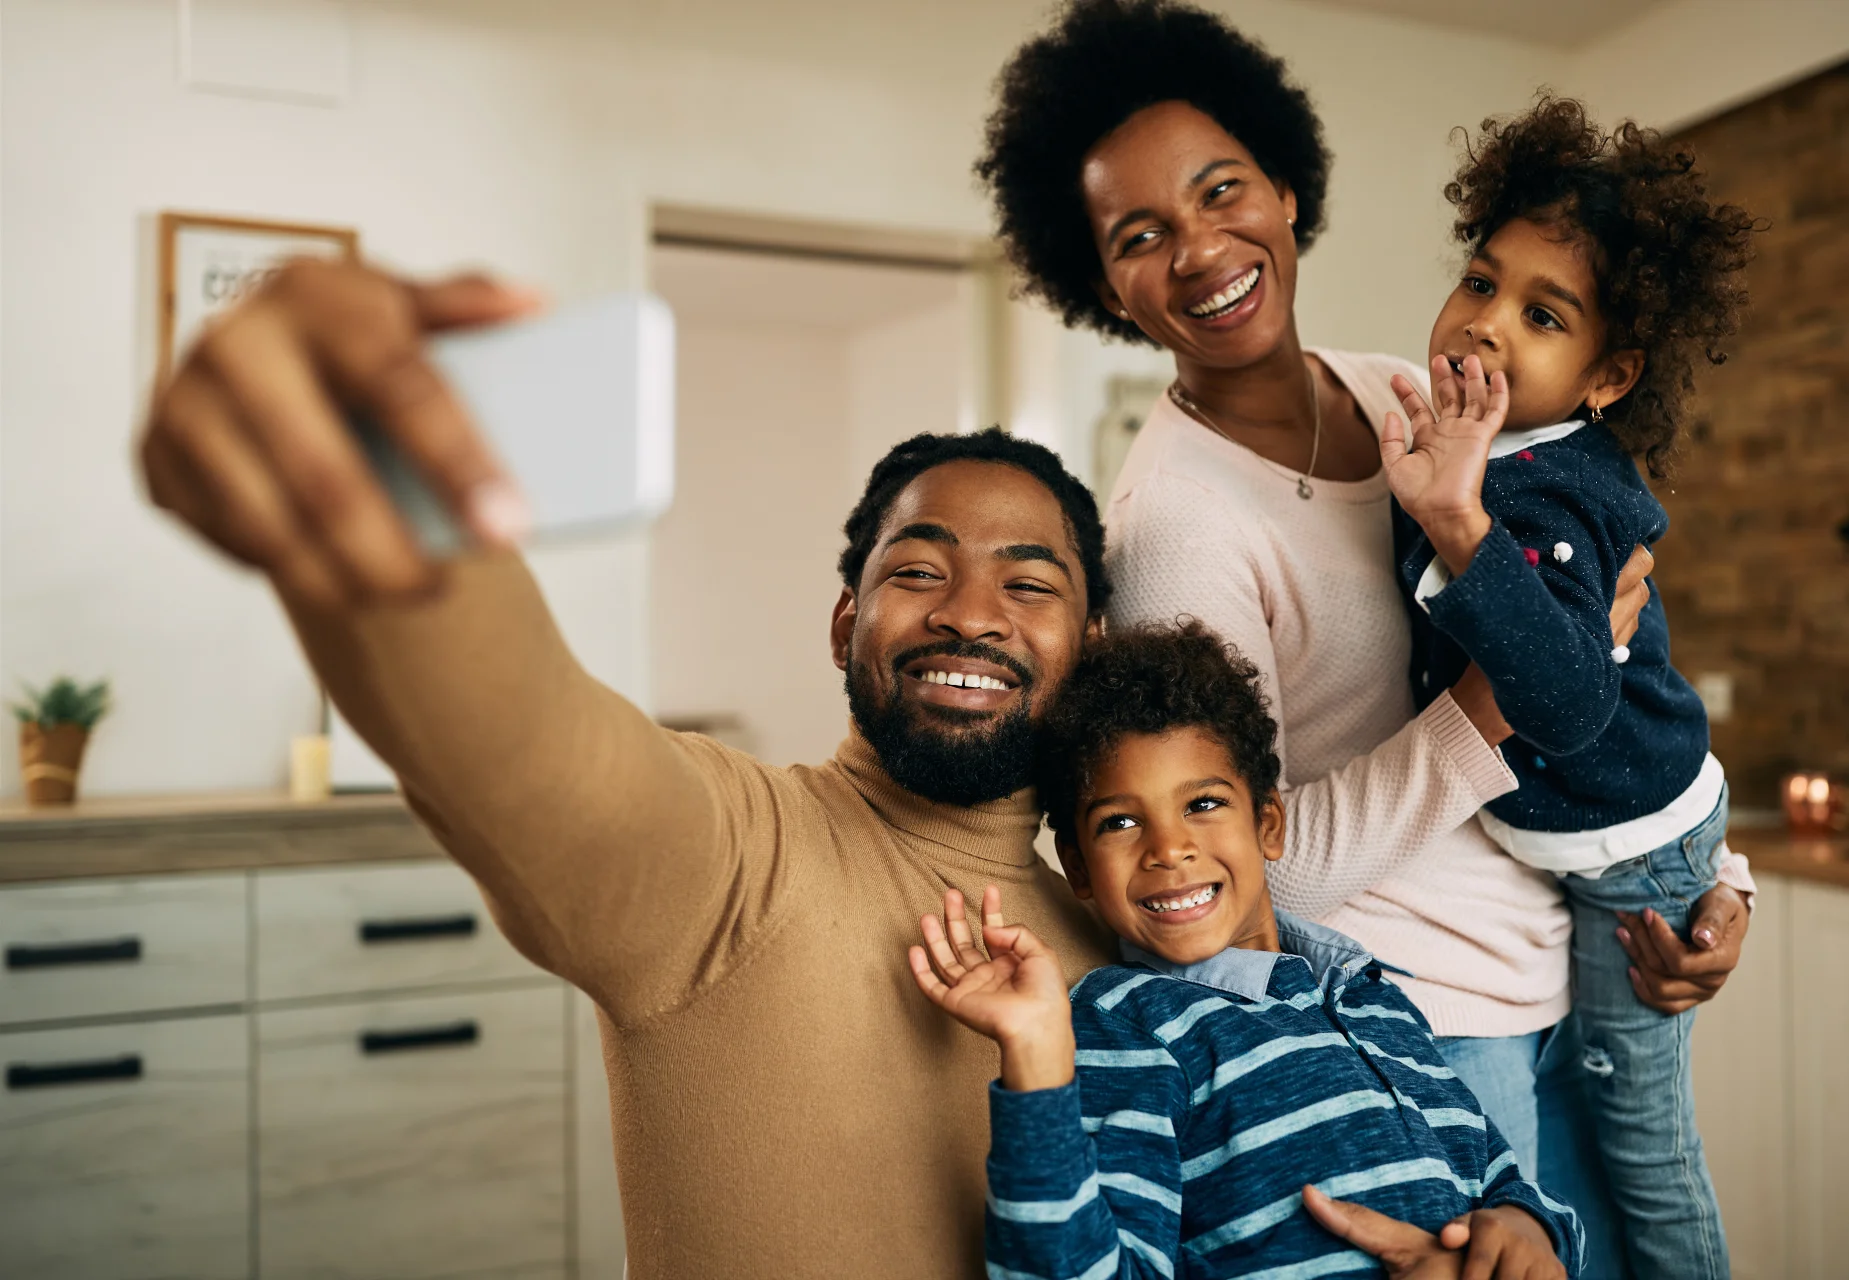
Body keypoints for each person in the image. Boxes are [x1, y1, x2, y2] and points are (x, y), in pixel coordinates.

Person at [138, 281, 1491, 1275]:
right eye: (916, 573)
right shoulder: (722, 857)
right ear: (846, 627)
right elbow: (514, 731)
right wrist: (362, 496)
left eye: (1028, 583)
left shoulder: (1142, 939)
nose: (969, 611)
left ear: (1087, 650)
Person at [975, 1, 1756, 1269]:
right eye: (1138, 235)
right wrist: (1500, 707)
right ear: (1103, 285)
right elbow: (1246, 870)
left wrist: (1703, 886)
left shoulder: (1413, 392)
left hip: (1575, 962)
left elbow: (1623, 651)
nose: (1197, 249)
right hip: (1423, 1032)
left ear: (1287, 190)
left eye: (1222, 189)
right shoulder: (1175, 523)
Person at [1379, 98, 1759, 1279]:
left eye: (1541, 315)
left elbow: (1566, 703)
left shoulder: (1537, 496)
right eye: (1480, 283)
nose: (1486, 325)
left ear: (1608, 375)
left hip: (1632, 855)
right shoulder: (1487, 451)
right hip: (1610, 838)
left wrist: (1450, 519)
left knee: (1642, 1142)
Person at [910, 621, 1582, 1278]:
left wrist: (1525, 1225)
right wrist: (1033, 1056)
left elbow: (1498, 1178)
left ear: (1267, 822)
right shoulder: (1128, 1022)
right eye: (1119, 822)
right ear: (1078, 869)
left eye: (1201, 804)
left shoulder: (1373, 995)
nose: (1168, 848)